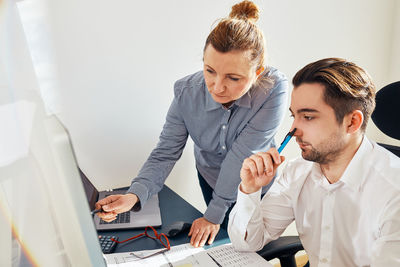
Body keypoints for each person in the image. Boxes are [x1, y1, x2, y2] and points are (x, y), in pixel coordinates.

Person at [95, 0, 288, 248]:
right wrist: (134, 195)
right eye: (210, 70)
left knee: (254, 248)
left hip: (258, 185)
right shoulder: (187, 93)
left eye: (233, 77)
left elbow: (241, 155)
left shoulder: (273, 90)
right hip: (211, 177)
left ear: (257, 72)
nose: (217, 87)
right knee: (223, 245)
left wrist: (212, 215)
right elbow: (165, 152)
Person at [228, 57, 400, 266]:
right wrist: (250, 189)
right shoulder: (297, 172)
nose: (293, 130)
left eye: (308, 117)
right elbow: (246, 243)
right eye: (294, 116)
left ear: (352, 122)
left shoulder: (393, 193)